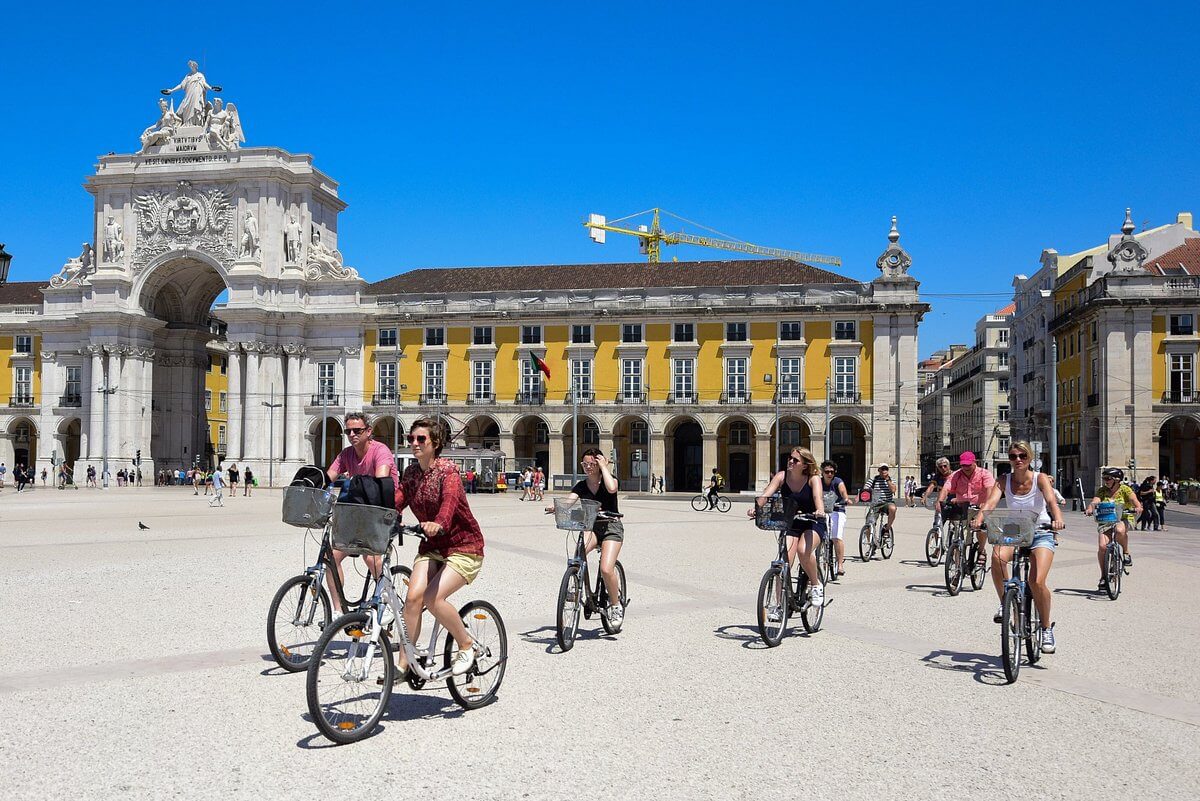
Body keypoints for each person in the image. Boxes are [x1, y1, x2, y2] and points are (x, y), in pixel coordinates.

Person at [396, 417, 486, 677]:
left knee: (432, 598)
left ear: (435, 443)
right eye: (411, 438)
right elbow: (398, 499)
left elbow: (448, 504)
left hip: (464, 545)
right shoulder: (412, 473)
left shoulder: (449, 472)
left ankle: (467, 645)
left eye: (420, 439)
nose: (414, 443)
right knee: (412, 599)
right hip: (432, 546)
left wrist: (439, 523)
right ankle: (405, 662)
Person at [972, 440, 1065, 654]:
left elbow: (1051, 502)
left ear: (1030, 458)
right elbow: (990, 503)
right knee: (997, 557)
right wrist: (979, 518)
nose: (1018, 460)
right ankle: (1006, 603)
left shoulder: (1040, 479)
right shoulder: (1003, 480)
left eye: (1022, 456)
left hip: (1041, 530)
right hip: (1015, 529)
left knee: (1037, 581)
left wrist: (1057, 519)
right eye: (1013, 456)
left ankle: (1045, 627)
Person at [325, 414, 397, 616]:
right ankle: (339, 611)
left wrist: (355, 483)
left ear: (368, 431)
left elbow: (382, 480)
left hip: (381, 508)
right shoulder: (347, 454)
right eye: (348, 431)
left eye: (357, 430)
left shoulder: (380, 451)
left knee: (370, 557)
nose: (352, 434)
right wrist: (311, 484)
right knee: (330, 557)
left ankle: (387, 600)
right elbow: (329, 476)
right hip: (358, 509)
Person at [546, 448, 626, 624]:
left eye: (592, 464)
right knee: (578, 556)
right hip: (591, 526)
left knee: (606, 568)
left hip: (612, 527)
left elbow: (612, 489)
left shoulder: (609, 481)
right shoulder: (581, 486)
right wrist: (557, 508)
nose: (588, 467)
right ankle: (576, 588)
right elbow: (569, 502)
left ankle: (615, 605)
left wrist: (605, 467)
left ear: (599, 464)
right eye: (585, 464)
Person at [749, 446, 827, 608]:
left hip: (812, 521)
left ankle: (816, 584)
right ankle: (779, 607)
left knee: (803, 550)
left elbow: (817, 497)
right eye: (790, 458)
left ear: (805, 465)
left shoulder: (813, 479)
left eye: (795, 460)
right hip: (791, 523)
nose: (790, 461)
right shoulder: (781, 476)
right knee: (783, 563)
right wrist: (757, 509)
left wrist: (819, 510)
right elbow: (766, 494)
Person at [1085, 467, 1140, 590]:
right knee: (1102, 547)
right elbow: (1095, 501)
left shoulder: (1125, 489)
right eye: (1104, 478)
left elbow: (1135, 501)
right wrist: (1090, 508)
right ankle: (1104, 576)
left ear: (1117, 480)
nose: (1105, 481)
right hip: (1106, 520)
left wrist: (1137, 507)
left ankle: (1126, 553)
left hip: (1124, 518)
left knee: (1120, 530)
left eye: (1107, 478)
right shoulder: (1102, 491)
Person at [937, 452, 994, 569]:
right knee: (959, 538)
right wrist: (940, 502)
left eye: (968, 465)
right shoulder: (956, 475)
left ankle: (981, 550)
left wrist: (986, 503)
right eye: (963, 465)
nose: (966, 468)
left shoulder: (985, 474)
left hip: (980, 507)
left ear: (975, 463)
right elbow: (946, 488)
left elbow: (990, 492)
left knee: (980, 528)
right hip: (962, 508)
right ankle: (958, 568)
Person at [820, 460, 852, 576]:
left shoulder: (837, 481)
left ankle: (840, 565)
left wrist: (846, 499)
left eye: (832, 472)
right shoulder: (818, 482)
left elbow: (843, 491)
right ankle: (819, 562)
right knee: (817, 536)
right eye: (827, 472)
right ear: (822, 472)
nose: (829, 474)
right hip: (822, 511)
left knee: (837, 537)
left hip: (837, 510)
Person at [866, 463, 898, 533]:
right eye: (882, 469)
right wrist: (860, 496)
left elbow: (893, 490)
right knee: (868, 524)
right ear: (879, 470)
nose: (884, 471)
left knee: (893, 508)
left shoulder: (891, 480)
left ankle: (887, 529)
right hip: (875, 504)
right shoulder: (873, 479)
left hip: (887, 502)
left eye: (886, 469)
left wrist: (887, 480)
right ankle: (870, 542)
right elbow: (865, 489)